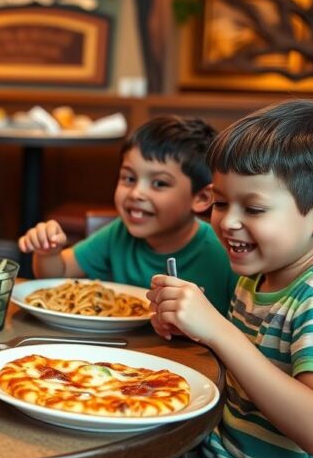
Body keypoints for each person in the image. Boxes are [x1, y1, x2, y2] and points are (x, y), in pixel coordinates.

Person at [150, 100, 313, 458]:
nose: (227, 222)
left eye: (254, 209)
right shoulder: (257, 277)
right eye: (221, 202)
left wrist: (218, 331)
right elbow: (250, 367)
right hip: (215, 449)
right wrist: (192, 330)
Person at [18, 116, 237, 315]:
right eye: (129, 178)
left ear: (200, 198)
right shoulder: (119, 233)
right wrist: (48, 252)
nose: (136, 193)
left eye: (159, 183)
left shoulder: (224, 252)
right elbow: (59, 273)